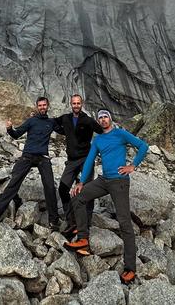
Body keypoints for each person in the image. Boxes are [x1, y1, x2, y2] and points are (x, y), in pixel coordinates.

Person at [63, 108, 148, 285]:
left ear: (110, 119)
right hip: (104, 180)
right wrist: (81, 182)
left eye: (105, 117)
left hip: (119, 181)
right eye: (100, 117)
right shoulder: (98, 139)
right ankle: (83, 239)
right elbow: (89, 161)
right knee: (78, 197)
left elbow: (143, 146)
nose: (102, 120)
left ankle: (130, 268)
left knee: (124, 222)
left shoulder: (120, 134)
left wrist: (133, 166)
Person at [0, 96, 60, 230]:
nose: (42, 107)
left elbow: (64, 130)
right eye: (40, 105)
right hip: (28, 156)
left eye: (44, 105)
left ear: (48, 106)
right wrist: (10, 129)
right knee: (14, 182)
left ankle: (54, 221)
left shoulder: (51, 122)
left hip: (43, 157)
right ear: (36, 106)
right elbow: (16, 134)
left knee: (50, 187)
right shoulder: (31, 121)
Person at [52, 94, 103, 238]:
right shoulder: (66, 118)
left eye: (78, 103)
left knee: (88, 190)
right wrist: (63, 131)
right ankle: (71, 221)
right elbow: (52, 122)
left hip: (86, 159)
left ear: (82, 104)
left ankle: (86, 223)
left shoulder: (87, 120)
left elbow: (102, 130)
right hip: (72, 160)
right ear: (70, 104)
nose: (76, 105)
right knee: (63, 188)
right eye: (74, 103)